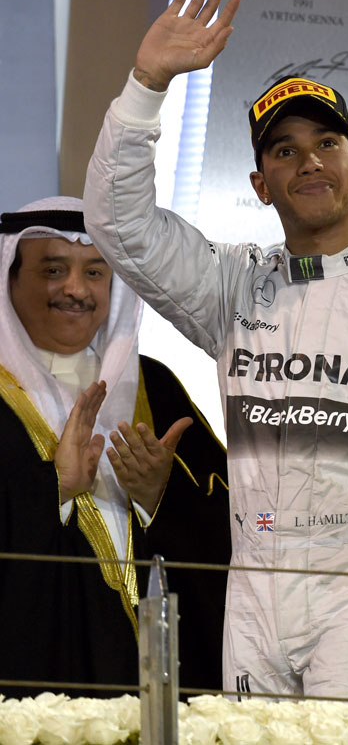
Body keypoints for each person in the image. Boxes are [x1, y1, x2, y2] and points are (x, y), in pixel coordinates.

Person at [83, 0, 348, 704]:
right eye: (284, 150)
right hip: (254, 590)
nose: (308, 161)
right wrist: (146, 85)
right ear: (260, 182)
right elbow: (118, 224)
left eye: (326, 143)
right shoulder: (233, 284)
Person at [0, 196, 229, 698]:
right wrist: (54, 488)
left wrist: (159, 497)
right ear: (10, 277)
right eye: (53, 270)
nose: (75, 289)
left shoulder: (156, 387)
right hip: (34, 674)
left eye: (95, 273)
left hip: (154, 679)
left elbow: (229, 530)